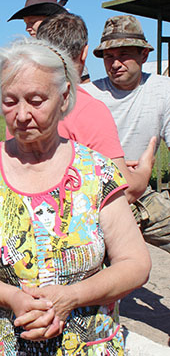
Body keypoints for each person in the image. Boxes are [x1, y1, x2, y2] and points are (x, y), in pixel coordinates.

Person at [0, 37, 151, 355]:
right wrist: (11, 297)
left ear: (64, 98)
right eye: (10, 101)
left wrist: (72, 296)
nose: (20, 114)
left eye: (35, 100)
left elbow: (135, 264)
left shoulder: (96, 172)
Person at [34, 13, 155, 204]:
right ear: (84, 53)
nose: (116, 64)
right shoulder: (88, 109)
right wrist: (144, 169)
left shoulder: (20, 108)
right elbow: (125, 193)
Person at [81, 15, 170, 253]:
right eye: (109, 56)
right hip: (92, 197)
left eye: (124, 54)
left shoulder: (163, 91)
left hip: (142, 194)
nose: (115, 63)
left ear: (144, 55)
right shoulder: (87, 94)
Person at [8, 0, 90, 83]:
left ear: (51, 21)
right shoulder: (27, 54)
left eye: (32, 22)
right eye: (26, 23)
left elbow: (84, 86)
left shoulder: (69, 50)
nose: (27, 28)